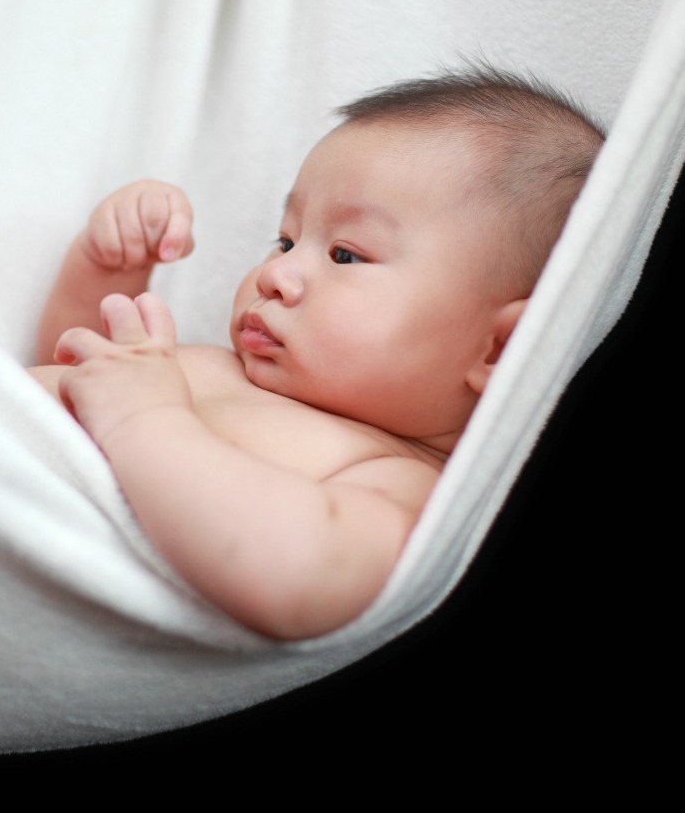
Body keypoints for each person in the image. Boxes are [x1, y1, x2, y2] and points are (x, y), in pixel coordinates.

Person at [29, 64, 604, 641]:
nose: (275, 272)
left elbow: (295, 579)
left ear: (501, 348)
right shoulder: (237, 371)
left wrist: (142, 418)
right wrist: (109, 271)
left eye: (345, 256)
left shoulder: (395, 481)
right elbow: (66, 376)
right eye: (285, 239)